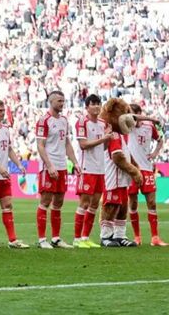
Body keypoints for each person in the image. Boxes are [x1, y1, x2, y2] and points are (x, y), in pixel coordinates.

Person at [35, 91, 81, 249]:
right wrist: (49, 165)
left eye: (63, 100)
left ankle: (55, 238)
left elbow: (67, 143)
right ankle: (42, 239)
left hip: (62, 166)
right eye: (59, 101)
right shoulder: (44, 120)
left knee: (59, 202)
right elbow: (40, 145)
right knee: (45, 201)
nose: (62, 103)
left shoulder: (64, 120)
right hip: (50, 166)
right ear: (51, 101)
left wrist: (75, 162)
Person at [99, 99, 143, 247]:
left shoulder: (121, 136)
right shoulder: (112, 135)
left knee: (123, 206)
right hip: (113, 178)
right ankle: (105, 236)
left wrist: (135, 166)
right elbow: (117, 158)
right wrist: (135, 172)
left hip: (122, 179)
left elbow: (128, 155)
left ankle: (120, 235)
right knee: (110, 205)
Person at [0, 99, 30, 249]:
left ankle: (12, 240)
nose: (3, 113)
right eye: (0, 111)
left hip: (4, 174)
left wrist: (19, 164)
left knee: (7, 205)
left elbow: (9, 149)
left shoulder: (5, 128)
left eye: (3, 110)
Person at [127, 104, 168, 246]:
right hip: (132, 169)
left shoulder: (149, 127)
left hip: (146, 168)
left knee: (151, 203)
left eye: (133, 113)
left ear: (139, 113)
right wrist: (153, 118)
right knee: (132, 204)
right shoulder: (128, 126)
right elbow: (132, 118)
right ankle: (137, 237)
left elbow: (160, 139)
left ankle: (155, 237)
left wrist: (155, 152)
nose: (130, 116)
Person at [72, 94, 110, 249]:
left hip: (100, 168)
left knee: (94, 203)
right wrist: (103, 139)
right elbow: (83, 145)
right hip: (87, 168)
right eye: (93, 104)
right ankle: (76, 238)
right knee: (84, 202)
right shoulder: (82, 122)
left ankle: (85, 237)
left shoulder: (102, 123)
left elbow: (104, 147)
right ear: (87, 107)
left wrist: (107, 138)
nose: (96, 106)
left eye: (98, 103)